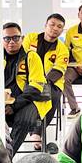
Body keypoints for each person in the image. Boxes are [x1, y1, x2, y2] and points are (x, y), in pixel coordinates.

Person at [2, 22, 50, 157]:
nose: (11, 42)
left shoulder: (31, 57)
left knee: (24, 120)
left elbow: (36, 87)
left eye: (15, 38)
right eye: (7, 38)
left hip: (30, 101)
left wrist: (15, 104)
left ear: (22, 38)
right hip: (5, 101)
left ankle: (6, 157)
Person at [22, 14, 70, 148]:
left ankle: (36, 132)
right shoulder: (31, 38)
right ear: (45, 25)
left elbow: (58, 70)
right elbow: (22, 58)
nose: (55, 28)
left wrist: (42, 82)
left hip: (52, 82)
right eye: (52, 24)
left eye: (59, 26)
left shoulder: (62, 49)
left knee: (50, 96)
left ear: (62, 31)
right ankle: (23, 126)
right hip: (28, 78)